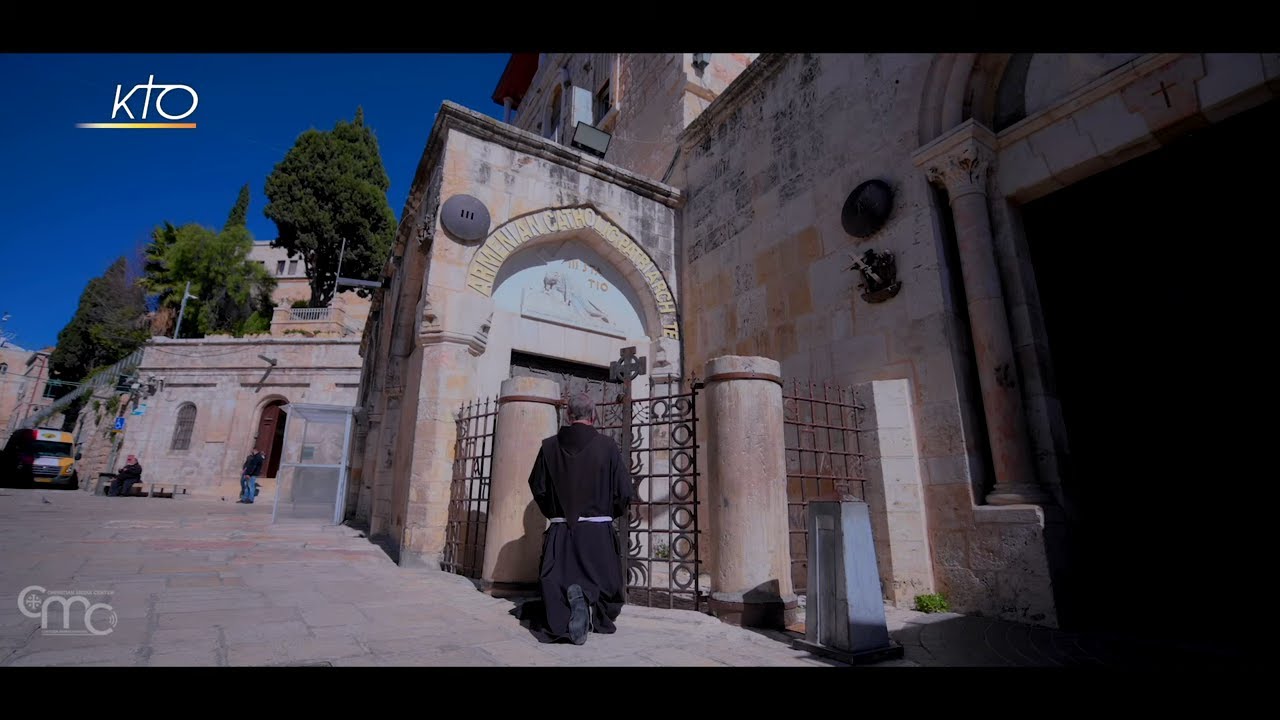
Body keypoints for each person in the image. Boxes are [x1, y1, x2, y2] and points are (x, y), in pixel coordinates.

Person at [526, 392, 633, 645]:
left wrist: (556, 514)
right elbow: (624, 492)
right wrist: (606, 515)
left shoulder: (549, 446)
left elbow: (538, 487)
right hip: (597, 535)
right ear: (593, 416)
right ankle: (590, 605)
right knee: (604, 583)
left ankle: (572, 607)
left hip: (561, 533)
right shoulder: (607, 446)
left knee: (555, 586)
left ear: (568, 415)